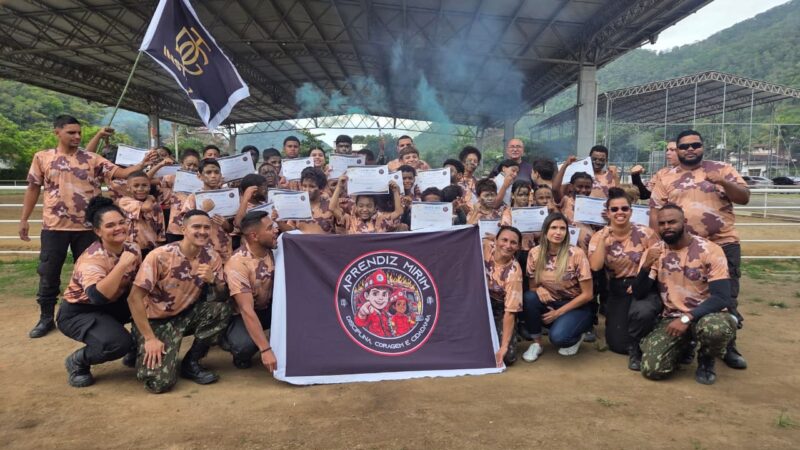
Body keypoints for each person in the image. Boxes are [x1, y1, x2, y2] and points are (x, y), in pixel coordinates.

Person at [20, 115, 156, 338]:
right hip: (55, 227)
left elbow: (120, 173)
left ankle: (96, 313)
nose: (76, 136)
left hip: (88, 228)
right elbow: (33, 188)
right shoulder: (42, 157)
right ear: (57, 132)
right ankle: (46, 317)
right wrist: (24, 219)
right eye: (71, 132)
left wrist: (142, 164)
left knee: (97, 272)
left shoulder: (93, 159)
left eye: (79, 132)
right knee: (48, 272)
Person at [648, 130, 749, 370]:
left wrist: (723, 182)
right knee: (679, 294)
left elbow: (744, 197)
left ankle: (726, 346)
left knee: (727, 296)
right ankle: (684, 339)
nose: (690, 149)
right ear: (678, 150)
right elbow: (655, 211)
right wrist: (659, 241)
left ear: (703, 147)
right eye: (684, 146)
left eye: (695, 145)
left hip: (722, 243)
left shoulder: (722, 169)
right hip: (680, 247)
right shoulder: (665, 176)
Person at [128, 210, 232, 394]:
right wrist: (150, 338)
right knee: (158, 384)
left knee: (221, 310)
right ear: (184, 229)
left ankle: (191, 363)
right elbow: (134, 298)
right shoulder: (160, 256)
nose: (202, 231)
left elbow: (223, 296)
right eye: (196, 227)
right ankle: (140, 346)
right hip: (155, 320)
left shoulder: (212, 257)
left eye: (206, 227)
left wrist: (214, 280)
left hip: (184, 314)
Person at [635, 205, 737, 385]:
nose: (667, 227)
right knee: (652, 369)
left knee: (716, 329)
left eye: (672, 222)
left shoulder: (710, 250)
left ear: (685, 223)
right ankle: (684, 346)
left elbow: (722, 297)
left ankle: (706, 359)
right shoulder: (655, 251)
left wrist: (687, 318)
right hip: (672, 317)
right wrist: (645, 266)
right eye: (662, 223)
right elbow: (639, 292)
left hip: (706, 315)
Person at [57, 197, 142, 387]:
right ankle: (78, 361)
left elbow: (138, 284)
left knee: (152, 306)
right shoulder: (92, 259)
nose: (119, 228)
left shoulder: (132, 248)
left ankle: (136, 348)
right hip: (80, 312)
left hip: (114, 304)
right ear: (98, 231)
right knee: (118, 343)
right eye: (110, 225)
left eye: (122, 222)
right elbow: (97, 296)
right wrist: (121, 265)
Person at [588, 187, 661, 369]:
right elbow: (595, 266)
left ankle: (640, 345)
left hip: (644, 284)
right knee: (618, 345)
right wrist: (603, 240)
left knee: (642, 313)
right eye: (614, 209)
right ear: (608, 213)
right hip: (618, 288)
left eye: (624, 208)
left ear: (631, 211)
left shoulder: (646, 233)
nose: (620, 212)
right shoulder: (599, 236)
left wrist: (641, 283)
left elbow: (657, 262)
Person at [521, 212, 593, 361]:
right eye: (553, 228)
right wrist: (538, 289)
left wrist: (558, 313)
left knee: (559, 338)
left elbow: (588, 294)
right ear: (545, 230)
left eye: (562, 228)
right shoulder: (534, 253)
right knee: (529, 297)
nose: (558, 232)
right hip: (551, 301)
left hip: (576, 305)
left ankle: (576, 335)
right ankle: (537, 344)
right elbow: (532, 287)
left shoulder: (576, 254)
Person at [223, 210, 277, 370]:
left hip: (268, 307)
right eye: (269, 228)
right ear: (254, 236)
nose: (275, 231)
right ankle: (227, 340)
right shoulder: (238, 263)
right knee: (243, 347)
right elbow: (246, 310)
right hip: (243, 314)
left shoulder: (276, 251)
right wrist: (265, 349)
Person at [177, 159, 235, 261]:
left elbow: (232, 228)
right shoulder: (194, 197)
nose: (213, 176)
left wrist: (226, 224)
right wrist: (204, 211)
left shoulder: (227, 196)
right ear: (200, 176)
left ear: (221, 175)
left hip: (224, 250)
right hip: (200, 251)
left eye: (216, 172)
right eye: (208, 172)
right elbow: (184, 224)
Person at [483, 226, 524, 366]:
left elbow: (510, 312)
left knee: (507, 357)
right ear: (495, 240)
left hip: (500, 308)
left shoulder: (514, 273)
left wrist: (504, 346)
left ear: (518, 247)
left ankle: (511, 333)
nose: (507, 245)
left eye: (513, 242)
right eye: (504, 240)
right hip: (477, 301)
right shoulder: (484, 247)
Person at [330, 174, 403, 234]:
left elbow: (398, 212)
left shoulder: (381, 220)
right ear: (355, 206)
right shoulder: (350, 220)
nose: (365, 209)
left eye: (369, 206)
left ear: (375, 208)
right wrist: (339, 187)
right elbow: (332, 208)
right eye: (361, 206)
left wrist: (395, 191)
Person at [118, 171, 165, 258]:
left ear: (149, 187)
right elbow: (146, 208)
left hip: (151, 247)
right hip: (129, 248)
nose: (140, 189)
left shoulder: (156, 206)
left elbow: (160, 229)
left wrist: (159, 248)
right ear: (128, 188)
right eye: (136, 186)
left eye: (144, 185)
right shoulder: (125, 202)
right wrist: (150, 198)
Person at [163, 149, 201, 243]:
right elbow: (149, 180)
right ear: (182, 163)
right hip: (175, 227)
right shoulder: (172, 178)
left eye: (195, 165)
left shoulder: (203, 180)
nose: (192, 167)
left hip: (196, 226)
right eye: (189, 164)